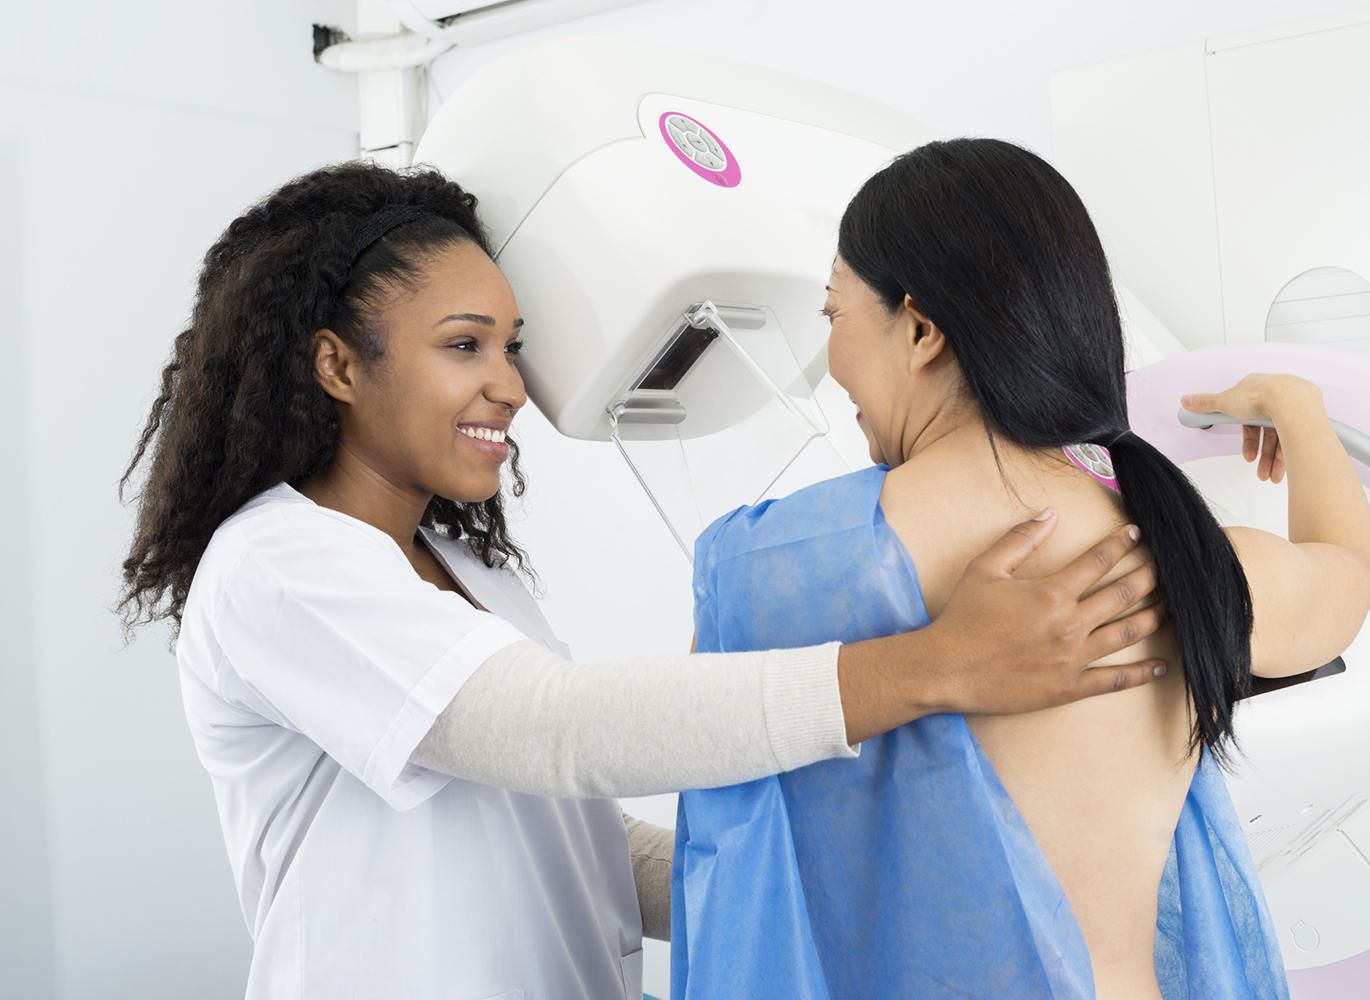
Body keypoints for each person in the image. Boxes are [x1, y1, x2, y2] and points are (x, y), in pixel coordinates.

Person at [116, 161, 1170, 1000]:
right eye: (464, 344)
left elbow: (580, 842)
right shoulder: (277, 565)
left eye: (513, 346)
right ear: (338, 364)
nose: (512, 385)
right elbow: (551, 731)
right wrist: (939, 666)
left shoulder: (469, 568)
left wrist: (842, 879)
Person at [672, 139, 1370, 1000]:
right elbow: (1345, 576)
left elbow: (723, 808)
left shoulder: (788, 564)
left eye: (833, 314)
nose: (832, 364)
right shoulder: (1174, 546)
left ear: (921, 327)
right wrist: (1299, 410)